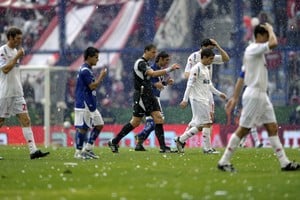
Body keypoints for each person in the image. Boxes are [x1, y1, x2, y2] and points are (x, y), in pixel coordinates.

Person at [218, 23, 300, 172]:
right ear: (260, 36)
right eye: (266, 36)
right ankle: (224, 161)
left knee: (272, 127)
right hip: (255, 94)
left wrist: (235, 98)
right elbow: (274, 43)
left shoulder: (255, 54)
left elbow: (241, 77)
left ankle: (284, 163)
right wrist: (270, 28)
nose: (268, 38)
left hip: (262, 95)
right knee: (243, 130)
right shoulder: (253, 49)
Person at [108, 44, 180, 153]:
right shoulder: (140, 63)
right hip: (142, 94)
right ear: (145, 51)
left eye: (155, 52)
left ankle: (115, 141)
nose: (154, 54)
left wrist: (164, 82)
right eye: (152, 52)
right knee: (147, 120)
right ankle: (161, 147)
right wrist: (170, 69)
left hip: (148, 94)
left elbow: (152, 78)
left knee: (146, 120)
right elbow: (152, 74)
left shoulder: (146, 64)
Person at [0, 26, 49, 159]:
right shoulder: (3, 50)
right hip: (5, 93)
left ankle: (33, 151)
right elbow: (5, 69)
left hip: (17, 92)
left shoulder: (16, 50)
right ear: (10, 37)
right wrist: (17, 56)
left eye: (21, 38)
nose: (20, 41)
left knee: (26, 120)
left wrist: (16, 55)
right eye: (17, 38)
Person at [182, 38, 230, 154]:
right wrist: (197, 78)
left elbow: (226, 59)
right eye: (210, 49)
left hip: (208, 90)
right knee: (204, 121)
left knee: (202, 120)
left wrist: (218, 46)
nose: (211, 55)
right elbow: (186, 74)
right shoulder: (194, 57)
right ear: (203, 48)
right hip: (198, 91)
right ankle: (205, 147)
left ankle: (182, 140)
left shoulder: (210, 58)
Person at [134, 51, 175, 151]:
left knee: (152, 122)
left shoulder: (159, 70)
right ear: (160, 59)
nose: (167, 63)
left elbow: (157, 84)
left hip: (151, 97)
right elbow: (147, 83)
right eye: (166, 60)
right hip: (151, 98)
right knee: (158, 121)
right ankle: (144, 137)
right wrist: (156, 85)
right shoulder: (152, 69)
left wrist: (165, 83)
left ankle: (140, 143)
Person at [73, 47, 107, 159]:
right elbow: (92, 86)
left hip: (90, 104)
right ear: (89, 57)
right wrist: (101, 76)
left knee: (99, 124)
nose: (97, 60)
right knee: (83, 128)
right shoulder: (85, 71)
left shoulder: (87, 70)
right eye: (96, 57)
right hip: (84, 103)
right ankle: (78, 152)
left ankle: (87, 148)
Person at [225, 66, 263, 148]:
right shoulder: (247, 88)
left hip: (251, 107)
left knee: (247, 124)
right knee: (248, 124)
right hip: (246, 108)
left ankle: (244, 142)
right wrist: (238, 108)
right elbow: (241, 97)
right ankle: (254, 142)